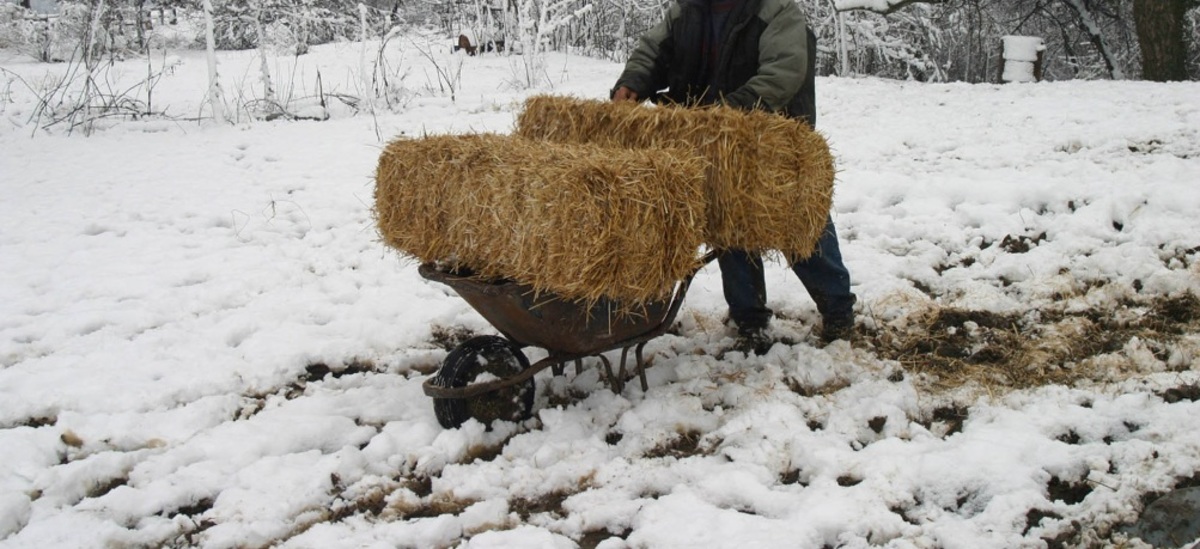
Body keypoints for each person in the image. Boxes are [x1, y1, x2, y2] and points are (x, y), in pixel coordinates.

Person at [610, 0, 856, 352]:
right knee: (729, 224)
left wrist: (729, 111)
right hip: (712, 139)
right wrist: (634, 81)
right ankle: (749, 320)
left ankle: (838, 310)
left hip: (772, 138)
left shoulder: (776, 10)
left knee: (801, 225)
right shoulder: (687, 10)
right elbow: (653, 50)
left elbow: (783, 72)